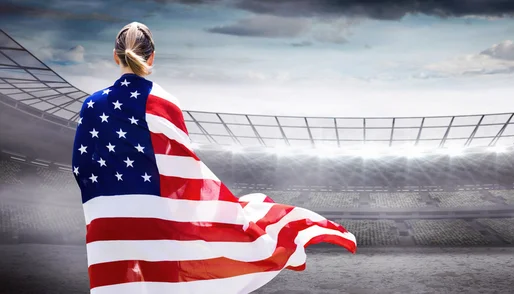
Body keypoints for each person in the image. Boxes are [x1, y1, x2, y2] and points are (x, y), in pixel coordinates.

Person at [72, 21, 356, 294]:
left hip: (109, 220)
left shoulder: (92, 104)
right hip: (157, 220)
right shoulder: (163, 101)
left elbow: (81, 166)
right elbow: (181, 164)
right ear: (152, 56)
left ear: (114, 56)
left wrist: (107, 198)